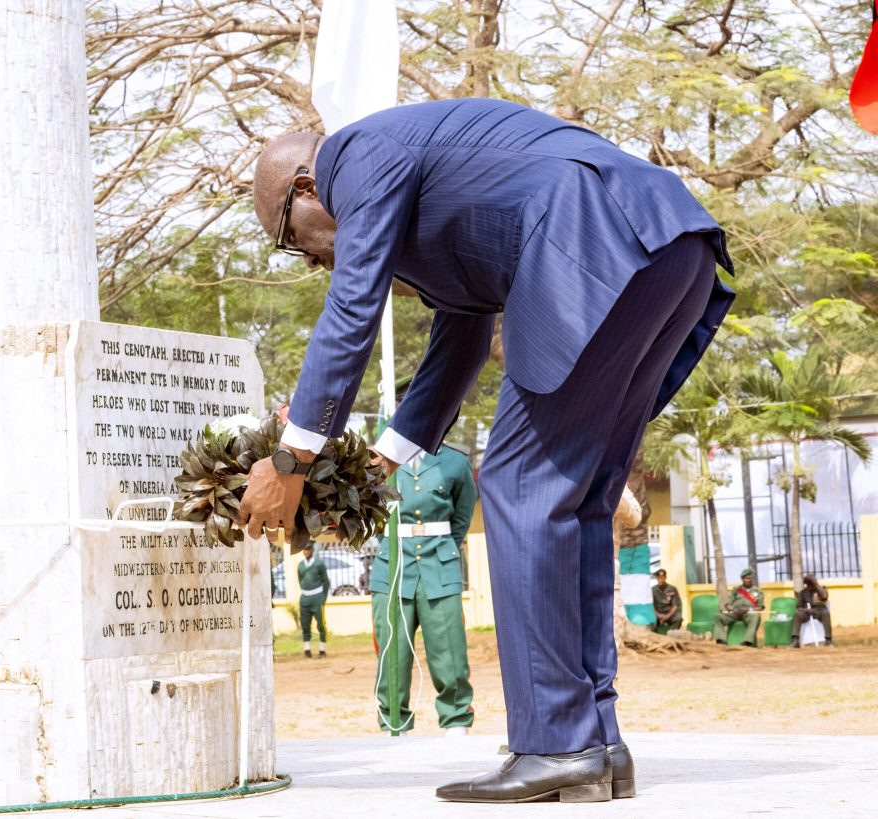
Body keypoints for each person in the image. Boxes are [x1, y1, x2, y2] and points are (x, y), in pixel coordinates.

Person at [239, 98, 733, 803]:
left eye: (296, 241)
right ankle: (595, 739)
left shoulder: (354, 156)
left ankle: (558, 742)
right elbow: (462, 338)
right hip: (669, 245)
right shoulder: (431, 196)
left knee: (519, 482)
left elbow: (353, 304)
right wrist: (377, 464)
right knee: (581, 491)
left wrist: (290, 462)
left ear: (306, 188)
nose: (315, 259)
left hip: (593, 241)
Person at [371, 381, 478, 736]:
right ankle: (393, 723)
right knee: (393, 650)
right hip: (393, 566)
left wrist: (441, 550)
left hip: (439, 566)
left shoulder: (454, 461)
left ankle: (456, 720)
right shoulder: (377, 461)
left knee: (448, 649)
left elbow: (460, 519)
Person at [713, 568, 765, 647]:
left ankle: (747, 641)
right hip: (735, 612)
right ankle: (721, 640)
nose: (746, 580)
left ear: (752, 578)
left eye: (748, 578)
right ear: (742, 579)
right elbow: (728, 604)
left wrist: (748, 609)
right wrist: (732, 609)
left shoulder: (758, 591)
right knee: (717, 616)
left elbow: (760, 607)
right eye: (744, 578)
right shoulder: (736, 590)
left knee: (756, 617)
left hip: (748, 613)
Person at [297, 542, 329, 658]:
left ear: (312, 550)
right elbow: (300, 581)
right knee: (305, 625)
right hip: (305, 599)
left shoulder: (319, 564)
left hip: (317, 598)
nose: (306, 551)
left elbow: (326, 581)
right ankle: (307, 650)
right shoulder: (300, 565)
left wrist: (323, 597)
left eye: (308, 549)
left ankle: (322, 649)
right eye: (304, 549)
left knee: (321, 625)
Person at [792, 573, 832, 647]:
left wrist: (816, 584)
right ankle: (795, 640)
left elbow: (824, 596)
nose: (811, 584)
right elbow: (799, 606)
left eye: (813, 581)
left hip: (819, 611)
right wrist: (805, 610)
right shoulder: (803, 592)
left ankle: (828, 640)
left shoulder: (821, 590)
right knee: (797, 614)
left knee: (826, 613)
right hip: (807, 612)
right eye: (810, 582)